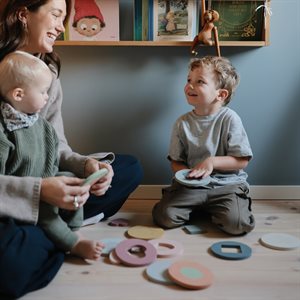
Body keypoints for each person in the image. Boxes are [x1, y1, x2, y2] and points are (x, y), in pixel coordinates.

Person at [0, 1, 143, 298]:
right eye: (55, 14)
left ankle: (55, 226)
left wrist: (85, 167)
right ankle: (60, 233)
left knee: (127, 168)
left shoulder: (49, 73)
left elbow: (57, 143)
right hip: (10, 191)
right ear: (24, 14)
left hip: (45, 184)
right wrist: (40, 191)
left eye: (65, 18)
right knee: (9, 267)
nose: (61, 27)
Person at [0, 50, 105, 261]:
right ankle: (72, 242)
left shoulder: (42, 125)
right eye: (43, 92)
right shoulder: (4, 131)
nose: (48, 97)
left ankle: (72, 228)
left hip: (46, 179)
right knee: (47, 212)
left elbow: (55, 155)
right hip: (19, 196)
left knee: (74, 180)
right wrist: (41, 191)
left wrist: (85, 167)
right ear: (18, 94)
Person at [152, 56, 255, 236]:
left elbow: (242, 161)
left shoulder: (230, 119)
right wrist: (185, 176)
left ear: (221, 94)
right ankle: (203, 206)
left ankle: (214, 207)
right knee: (164, 217)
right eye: (189, 80)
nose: (190, 86)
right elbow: (176, 163)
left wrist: (212, 162)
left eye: (200, 81)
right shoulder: (181, 123)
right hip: (192, 186)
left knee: (238, 224)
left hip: (226, 186)